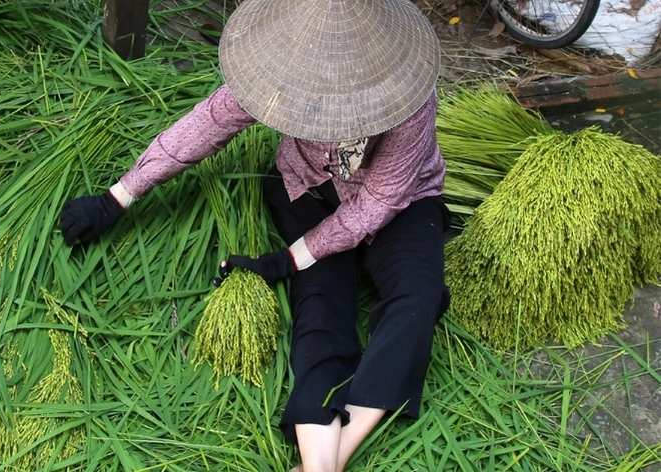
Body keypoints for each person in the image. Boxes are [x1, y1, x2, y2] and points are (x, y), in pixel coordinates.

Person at [58, 0, 450, 470]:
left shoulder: (409, 99)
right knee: (321, 301)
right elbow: (208, 123)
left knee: (417, 300)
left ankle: (334, 456)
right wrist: (119, 195)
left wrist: (287, 259)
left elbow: (376, 206)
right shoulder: (284, 75)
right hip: (308, 187)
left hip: (405, 204)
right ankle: (320, 455)